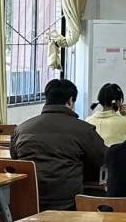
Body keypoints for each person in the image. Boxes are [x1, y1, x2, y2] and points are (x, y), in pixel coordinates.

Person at [11, 79, 107, 210]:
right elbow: (101, 159)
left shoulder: (21, 129)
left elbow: (15, 159)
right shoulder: (83, 129)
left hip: (28, 201)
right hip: (67, 202)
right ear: (70, 101)